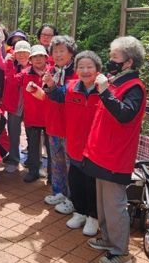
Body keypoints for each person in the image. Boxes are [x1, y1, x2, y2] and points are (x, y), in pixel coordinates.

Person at [83, 36, 147, 263]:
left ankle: (121, 251)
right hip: (102, 152)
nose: (110, 60)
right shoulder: (115, 82)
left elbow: (125, 114)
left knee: (114, 204)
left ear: (128, 62)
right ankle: (109, 239)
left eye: (114, 57)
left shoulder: (134, 87)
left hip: (115, 155)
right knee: (103, 201)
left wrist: (104, 92)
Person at [40, 50, 103, 237]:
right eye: (81, 67)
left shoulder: (104, 90)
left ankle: (93, 217)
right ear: (76, 69)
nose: (85, 71)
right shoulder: (71, 87)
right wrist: (50, 85)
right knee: (76, 180)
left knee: (91, 183)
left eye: (89, 67)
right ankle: (80, 212)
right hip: (74, 144)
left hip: (95, 147)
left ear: (98, 69)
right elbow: (57, 95)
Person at [42, 35, 78, 213]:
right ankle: (59, 192)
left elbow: (69, 95)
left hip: (71, 126)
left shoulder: (78, 72)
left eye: (62, 50)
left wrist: (52, 87)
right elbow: (47, 95)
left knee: (72, 164)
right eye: (55, 51)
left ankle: (72, 198)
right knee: (56, 161)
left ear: (71, 52)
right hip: (53, 123)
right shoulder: (50, 70)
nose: (58, 54)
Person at [19, 45, 53, 183]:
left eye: (41, 56)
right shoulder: (25, 73)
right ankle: (33, 171)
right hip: (32, 116)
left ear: (46, 58)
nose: (38, 59)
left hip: (49, 116)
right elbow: (11, 80)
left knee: (51, 148)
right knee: (33, 146)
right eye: (35, 57)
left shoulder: (53, 72)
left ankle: (52, 175)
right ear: (30, 59)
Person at [0, 40, 31, 174]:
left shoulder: (34, 67)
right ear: (14, 54)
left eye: (25, 52)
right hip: (14, 106)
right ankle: (14, 159)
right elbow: (10, 79)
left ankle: (34, 162)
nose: (22, 55)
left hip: (31, 107)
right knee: (14, 133)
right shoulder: (11, 65)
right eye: (19, 52)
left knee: (33, 136)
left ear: (30, 54)